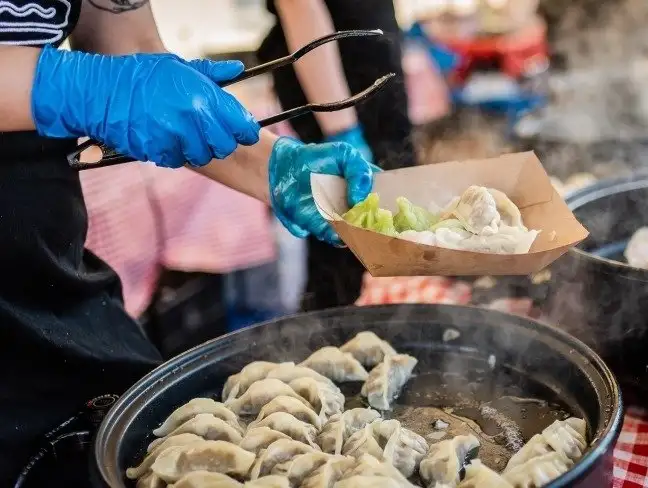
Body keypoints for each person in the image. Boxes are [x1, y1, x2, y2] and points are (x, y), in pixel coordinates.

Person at [0, 0, 376, 483]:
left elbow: (128, 49)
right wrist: (73, 87)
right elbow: (109, 84)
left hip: (45, 261)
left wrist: (274, 166)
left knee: (140, 442)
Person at [259, 0, 418, 311]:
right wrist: (341, 129)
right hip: (343, 94)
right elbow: (299, 5)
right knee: (345, 245)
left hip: (368, 85)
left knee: (386, 237)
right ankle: (329, 339)